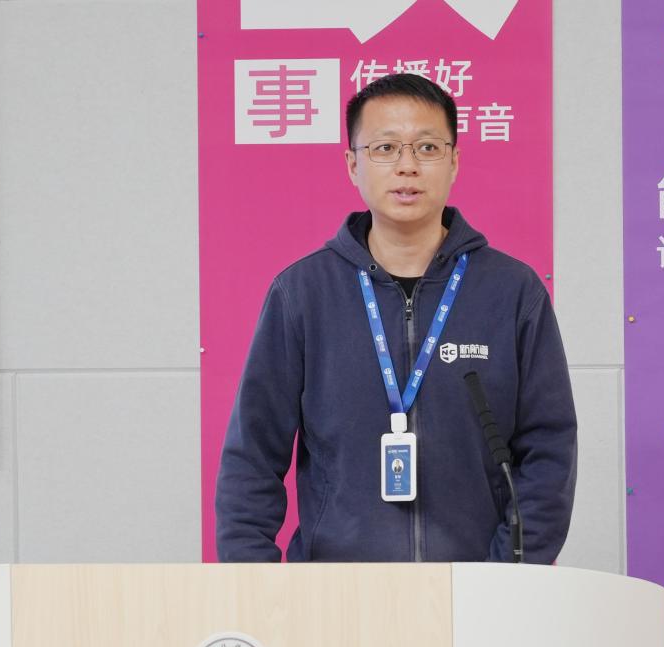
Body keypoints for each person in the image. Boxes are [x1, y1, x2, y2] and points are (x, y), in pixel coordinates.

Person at [216, 73, 576, 563]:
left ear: (454, 161)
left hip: (477, 588)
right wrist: (257, 585)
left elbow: (549, 449)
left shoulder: (512, 292)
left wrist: (506, 576)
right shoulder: (302, 293)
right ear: (353, 164)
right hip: (335, 590)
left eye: (427, 148)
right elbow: (252, 457)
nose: (407, 166)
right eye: (385, 148)